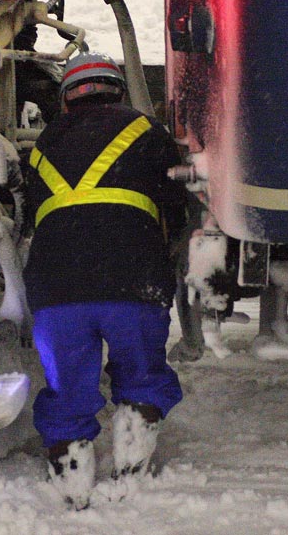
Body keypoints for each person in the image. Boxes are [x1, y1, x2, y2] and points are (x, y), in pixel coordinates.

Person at [22, 51, 186, 510]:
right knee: (140, 371)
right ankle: (131, 471)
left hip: (57, 290)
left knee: (67, 384)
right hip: (134, 281)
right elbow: (175, 205)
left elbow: (31, 214)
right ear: (118, 90)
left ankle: (73, 485)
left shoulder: (41, 145)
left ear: (67, 99)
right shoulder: (147, 132)